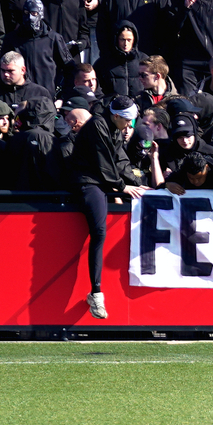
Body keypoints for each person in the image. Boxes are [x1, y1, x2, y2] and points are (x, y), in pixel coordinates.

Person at [69, 96, 150, 318]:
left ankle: (95, 292)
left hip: (103, 180)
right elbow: (104, 163)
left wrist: (138, 184)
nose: (130, 127)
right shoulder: (97, 125)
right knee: (99, 231)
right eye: (128, 121)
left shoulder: (114, 127)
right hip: (87, 181)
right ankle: (96, 293)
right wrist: (123, 187)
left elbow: (121, 160)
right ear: (116, 116)